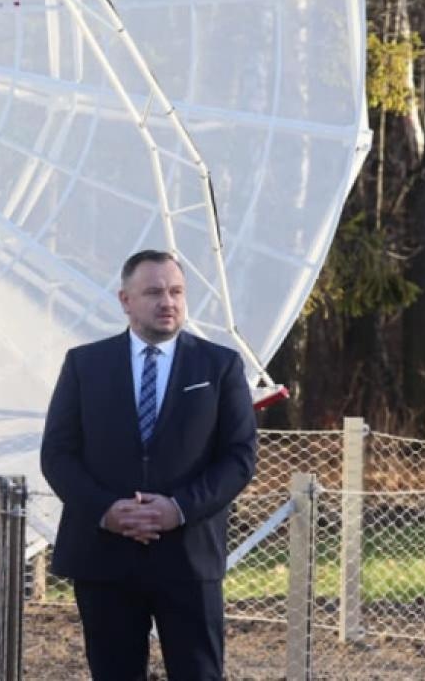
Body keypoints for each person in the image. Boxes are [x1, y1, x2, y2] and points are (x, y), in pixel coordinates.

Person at [41, 249, 257, 681]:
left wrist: (177, 508)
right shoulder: (85, 365)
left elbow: (239, 457)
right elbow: (58, 454)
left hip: (188, 558)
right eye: (154, 292)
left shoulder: (219, 366)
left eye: (176, 291)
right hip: (105, 559)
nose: (168, 302)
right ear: (125, 300)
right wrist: (107, 510)